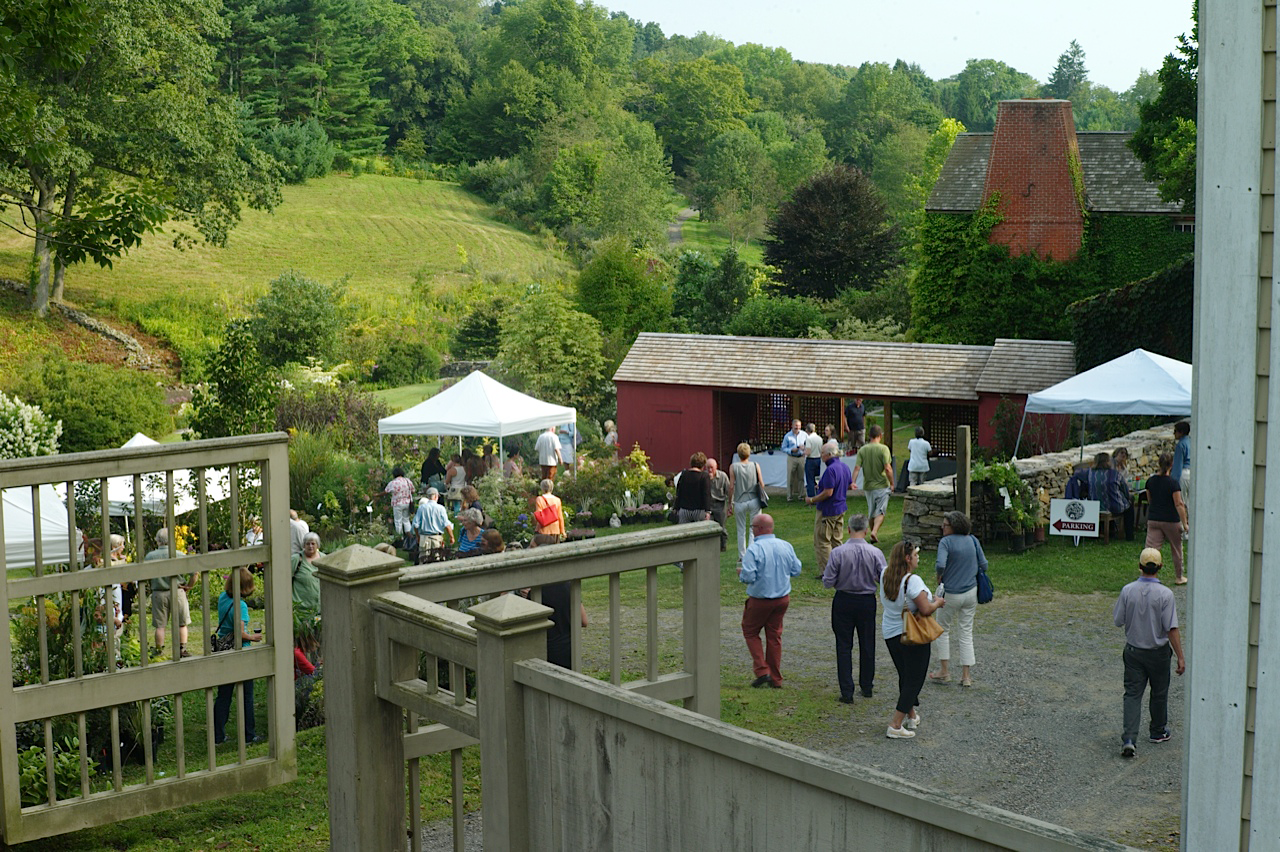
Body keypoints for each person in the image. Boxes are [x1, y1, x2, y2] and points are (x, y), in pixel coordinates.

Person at [1113, 547, 1186, 757]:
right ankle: (1157, 730)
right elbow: (1171, 628)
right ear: (1160, 567)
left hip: (1134, 651)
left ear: (1140, 566)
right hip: (1158, 652)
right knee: (1159, 692)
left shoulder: (1128, 590)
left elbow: (1118, 620)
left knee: (1133, 694)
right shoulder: (1166, 594)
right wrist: (1180, 656)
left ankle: (1129, 737)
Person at [881, 540, 944, 739]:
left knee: (905, 674)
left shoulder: (885, 574)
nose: (918, 557)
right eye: (915, 554)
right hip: (912, 635)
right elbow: (925, 609)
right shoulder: (912, 581)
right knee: (914, 679)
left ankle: (911, 715)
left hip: (891, 632)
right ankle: (895, 724)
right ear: (908, 558)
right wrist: (937, 602)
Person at [822, 515, 885, 702]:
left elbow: (827, 581)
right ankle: (867, 686)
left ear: (848, 530)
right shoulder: (875, 553)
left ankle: (846, 691)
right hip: (866, 601)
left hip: (844, 600)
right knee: (867, 643)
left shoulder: (838, 552)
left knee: (843, 645)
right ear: (866, 531)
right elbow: (883, 577)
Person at [738, 513, 802, 689]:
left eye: (753, 527)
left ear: (758, 529)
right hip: (782, 599)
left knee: (750, 631)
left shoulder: (754, 549)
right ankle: (776, 678)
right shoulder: (785, 546)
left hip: (760, 600)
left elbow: (749, 575)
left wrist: (741, 575)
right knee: (774, 636)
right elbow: (796, 570)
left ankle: (762, 670)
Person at [929, 511, 987, 687]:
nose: (942, 527)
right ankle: (966, 676)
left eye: (945, 525)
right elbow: (984, 564)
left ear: (952, 526)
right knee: (966, 632)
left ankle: (944, 671)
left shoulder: (946, 542)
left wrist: (940, 575)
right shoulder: (973, 540)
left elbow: (940, 564)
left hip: (951, 594)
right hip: (970, 593)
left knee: (943, 629)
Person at [213, 567, 264, 744]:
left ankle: (218, 735)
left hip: (223, 649)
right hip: (240, 650)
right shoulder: (240, 605)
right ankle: (249, 734)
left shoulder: (222, 597)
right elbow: (239, 631)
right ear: (244, 587)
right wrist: (253, 637)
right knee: (246, 695)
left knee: (224, 694)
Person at [805, 441, 853, 575]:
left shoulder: (830, 470)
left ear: (829, 455)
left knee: (822, 540)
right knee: (837, 541)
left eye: (822, 454)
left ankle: (828, 572)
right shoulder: (844, 466)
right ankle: (841, 568)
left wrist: (812, 499)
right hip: (840, 508)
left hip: (828, 510)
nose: (821, 456)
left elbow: (828, 492)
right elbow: (849, 485)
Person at [145, 528, 191, 659]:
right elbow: (195, 573)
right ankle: (182, 649)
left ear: (157, 540)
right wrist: (189, 586)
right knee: (182, 623)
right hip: (177, 591)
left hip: (158, 592)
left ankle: (159, 650)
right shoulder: (179, 554)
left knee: (160, 626)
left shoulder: (150, 556)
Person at [1145, 452, 1189, 584]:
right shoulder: (1173, 483)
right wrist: (1185, 523)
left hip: (1154, 519)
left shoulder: (1150, 481)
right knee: (1176, 549)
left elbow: (1149, 500)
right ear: (1171, 465)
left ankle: (1147, 574)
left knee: (1151, 549)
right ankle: (1179, 576)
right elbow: (1179, 504)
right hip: (1171, 520)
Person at [853, 425, 894, 544]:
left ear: (869, 436)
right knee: (880, 511)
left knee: (871, 512)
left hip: (868, 486)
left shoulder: (863, 450)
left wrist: (853, 482)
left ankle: (872, 533)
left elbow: (857, 468)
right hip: (882, 484)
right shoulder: (884, 449)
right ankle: (874, 532)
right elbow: (887, 468)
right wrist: (892, 483)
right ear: (880, 435)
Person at [727, 443, 765, 565]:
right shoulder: (755, 465)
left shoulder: (733, 467)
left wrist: (730, 503)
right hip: (754, 499)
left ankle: (742, 555)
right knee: (754, 528)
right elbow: (762, 483)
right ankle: (752, 553)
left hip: (739, 500)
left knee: (741, 529)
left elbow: (731, 486)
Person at [1089, 452, 1132, 542]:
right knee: (1129, 505)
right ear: (1107, 462)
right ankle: (1129, 535)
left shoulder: (1091, 474)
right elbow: (1125, 490)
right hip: (1113, 507)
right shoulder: (1115, 474)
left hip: (1095, 507)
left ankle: (1110, 530)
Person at [674, 452, 712, 524]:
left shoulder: (684, 474)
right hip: (699, 510)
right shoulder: (704, 476)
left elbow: (679, 491)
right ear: (703, 464)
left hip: (684, 510)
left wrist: (676, 507)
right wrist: (707, 511)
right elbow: (706, 494)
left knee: (684, 532)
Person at [413, 488, 454, 553]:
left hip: (424, 538)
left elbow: (415, 525)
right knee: (437, 559)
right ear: (435, 496)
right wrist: (451, 537)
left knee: (424, 559)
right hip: (436, 538)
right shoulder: (441, 508)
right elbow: (446, 525)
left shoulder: (421, 508)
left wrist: (418, 537)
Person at [290, 533, 323, 613]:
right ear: (303, 545)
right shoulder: (296, 559)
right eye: (307, 544)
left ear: (317, 545)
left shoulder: (324, 559)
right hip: (301, 611)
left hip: (320, 610)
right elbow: (285, 580)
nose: (310, 546)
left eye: (313, 543)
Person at [384, 466, 415, 546]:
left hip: (397, 504)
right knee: (406, 520)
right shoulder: (407, 481)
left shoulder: (393, 483)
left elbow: (386, 491)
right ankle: (411, 537)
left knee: (398, 521)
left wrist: (377, 495)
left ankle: (400, 539)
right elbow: (413, 491)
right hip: (407, 503)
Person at [705, 457, 730, 552]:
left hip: (720, 504)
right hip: (709, 504)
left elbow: (728, 491)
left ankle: (723, 544)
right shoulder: (704, 477)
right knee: (708, 526)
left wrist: (730, 505)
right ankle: (710, 546)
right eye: (708, 468)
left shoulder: (723, 476)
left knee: (721, 527)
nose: (710, 470)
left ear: (716, 467)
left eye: (711, 467)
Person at [1112, 447, 1137, 541]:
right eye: (1121, 453)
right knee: (1129, 504)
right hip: (1113, 496)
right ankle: (1129, 534)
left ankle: (1128, 531)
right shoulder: (1112, 468)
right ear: (1116, 454)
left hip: (1120, 493)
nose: (1123, 456)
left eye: (1125, 454)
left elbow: (1126, 483)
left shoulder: (1124, 469)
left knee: (1130, 499)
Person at [780, 420, 807, 502]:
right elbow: (783, 448)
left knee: (801, 477)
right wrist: (791, 450)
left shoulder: (804, 435)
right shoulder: (787, 436)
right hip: (791, 457)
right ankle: (789, 496)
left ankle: (801, 495)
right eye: (795, 426)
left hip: (801, 457)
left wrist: (804, 448)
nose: (797, 428)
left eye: (799, 426)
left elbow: (808, 445)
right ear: (792, 426)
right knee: (790, 477)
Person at [534, 478, 564, 542]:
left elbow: (539, 516)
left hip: (543, 530)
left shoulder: (539, 499)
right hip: (555, 530)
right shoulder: (557, 500)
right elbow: (560, 517)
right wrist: (562, 531)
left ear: (542, 488)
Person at [1172, 420, 1191, 506]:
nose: (1174, 433)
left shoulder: (1180, 445)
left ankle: (1183, 519)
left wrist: (1173, 481)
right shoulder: (1191, 442)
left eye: (1175, 431)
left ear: (1181, 432)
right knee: (1190, 501)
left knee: (1181, 501)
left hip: (1183, 473)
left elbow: (1178, 464)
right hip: (1192, 472)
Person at [803, 421, 824, 498]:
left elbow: (808, 452)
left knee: (810, 480)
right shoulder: (820, 438)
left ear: (807, 430)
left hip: (810, 460)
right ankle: (818, 495)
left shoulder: (809, 439)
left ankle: (811, 497)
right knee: (817, 479)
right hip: (818, 459)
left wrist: (803, 450)